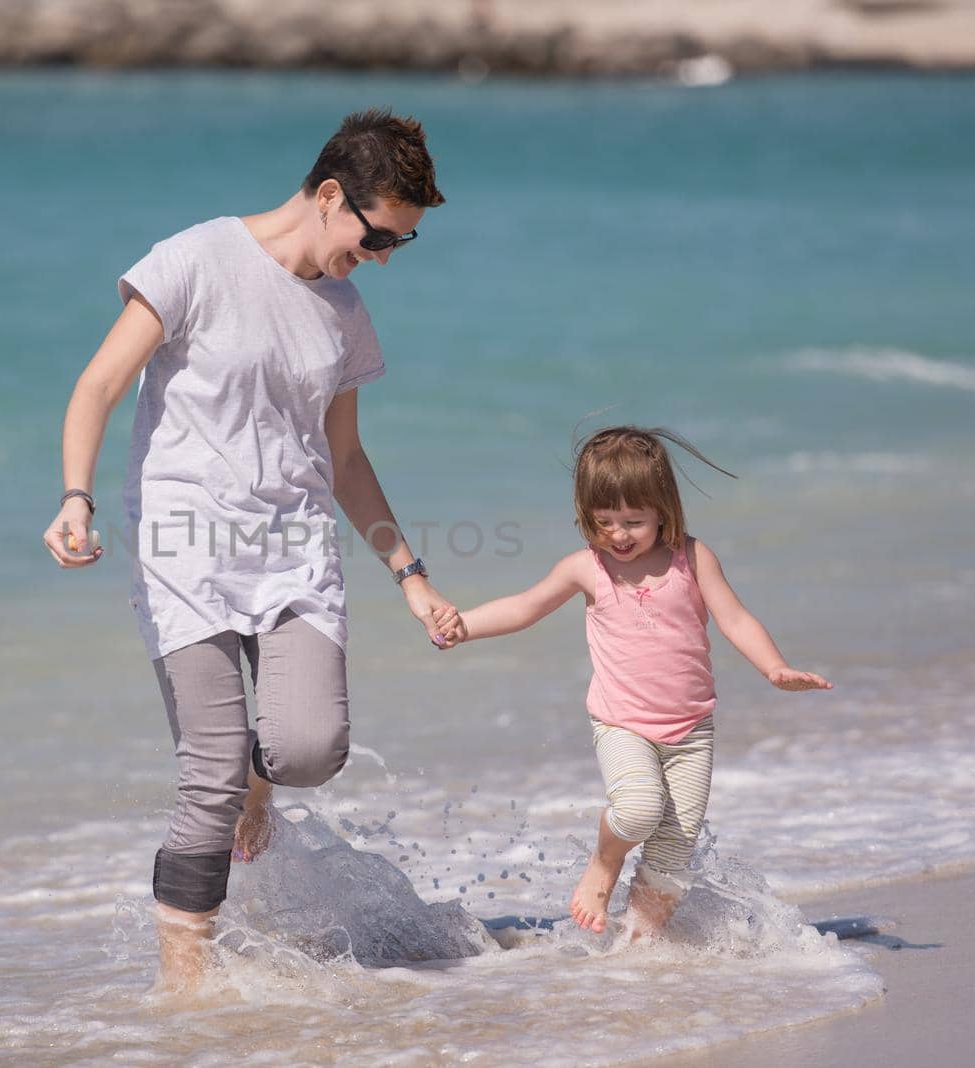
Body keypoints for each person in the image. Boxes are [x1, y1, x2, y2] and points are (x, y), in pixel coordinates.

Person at [41, 109, 461, 990]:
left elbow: (344, 458)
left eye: (402, 245)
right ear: (330, 195)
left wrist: (409, 574)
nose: (383, 258)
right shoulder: (196, 259)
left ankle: (258, 786)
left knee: (309, 749)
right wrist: (75, 497)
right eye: (380, 235)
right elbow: (100, 383)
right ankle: (186, 983)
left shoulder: (344, 313)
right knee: (211, 771)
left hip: (294, 549)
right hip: (184, 547)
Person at [436, 426, 831, 937]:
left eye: (633, 521)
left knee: (675, 845)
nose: (619, 535)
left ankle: (638, 944)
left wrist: (773, 667)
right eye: (604, 522)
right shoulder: (588, 569)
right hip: (623, 724)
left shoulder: (692, 558)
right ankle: (604, 864)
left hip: (690, 730)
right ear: (585, 517)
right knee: (640, 808)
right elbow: (525, 607)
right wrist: (464, 626)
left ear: (663, 509)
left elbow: (735, 618)